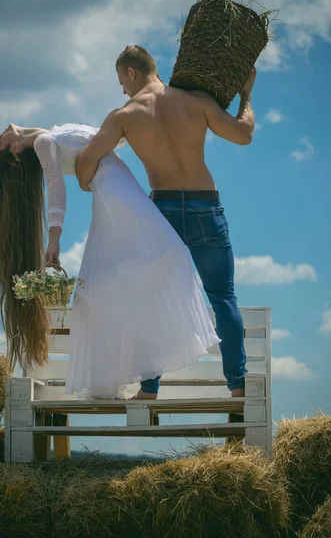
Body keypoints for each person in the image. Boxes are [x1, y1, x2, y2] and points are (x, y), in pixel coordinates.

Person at [75, 45, 256, 400]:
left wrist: (93, 184)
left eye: (121, 81)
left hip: (161, 213)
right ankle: (238, 385)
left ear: (131, 72)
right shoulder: (196, 101)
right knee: (222, 296)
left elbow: (85, 162)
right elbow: (243, 133)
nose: (122, 90)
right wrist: (246, 95)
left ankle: (149, 390)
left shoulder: (124, 116)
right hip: (205, 207)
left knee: (152, 298)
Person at [0, 122, 219, 400]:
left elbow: (111, 139)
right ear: (15, 147)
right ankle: (140, 380)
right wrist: (54, 238)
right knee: (115, 280)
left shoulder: (51, 133)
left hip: (119, 192)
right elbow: (56, 188)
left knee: (115, 281)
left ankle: (139, 380)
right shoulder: (43, 143)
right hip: (116, 196)